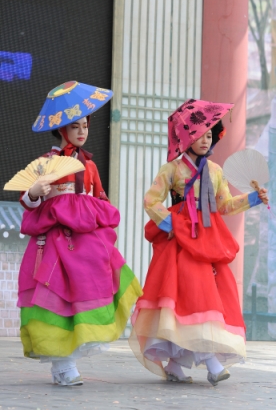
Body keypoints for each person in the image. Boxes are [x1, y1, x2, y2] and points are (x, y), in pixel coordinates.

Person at [129, 99, 268, 386]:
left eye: (209, 134)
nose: (205, 140)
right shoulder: (171, 170)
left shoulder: (216, 171)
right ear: (186, 136)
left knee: (206, 296)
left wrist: (253, 198)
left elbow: (225, 206)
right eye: (199, 134)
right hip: (180, 240)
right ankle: (211, 363)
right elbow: (151, 200)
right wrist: (169, 225)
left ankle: (177, 365)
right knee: (191, 295)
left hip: (207, 237)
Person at [18, 81, 142, 386]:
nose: (82, 131)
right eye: (75, 126)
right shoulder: (46, 163)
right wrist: (35, 191)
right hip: (56, 242)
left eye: (85, 125)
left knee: (87, 291)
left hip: (87, 241)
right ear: (61, 129)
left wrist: (94, 207)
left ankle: (69, 358)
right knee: (56, 295)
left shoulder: (90, 164)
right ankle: (63, 364)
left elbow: (101, 198)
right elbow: (27, 201)